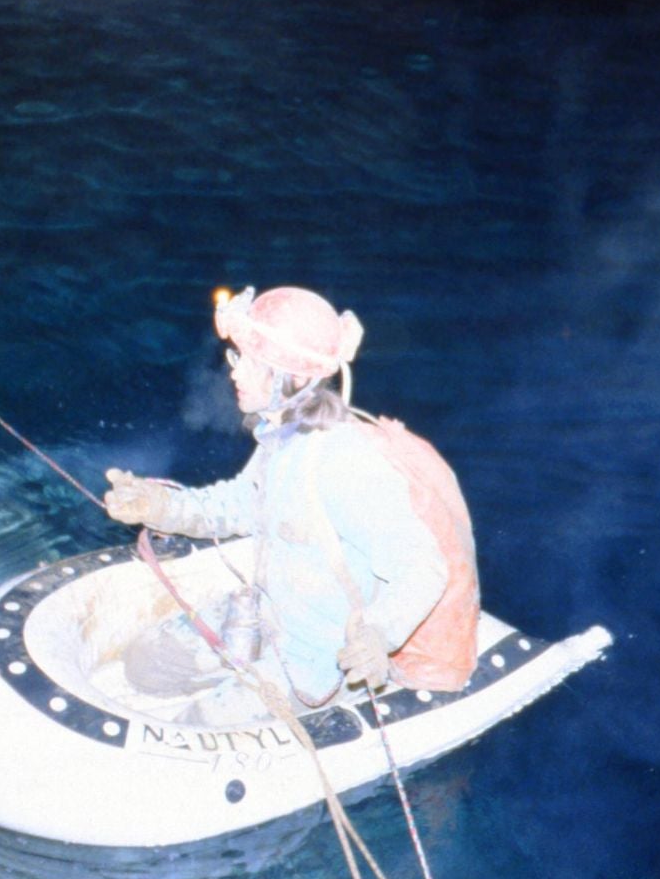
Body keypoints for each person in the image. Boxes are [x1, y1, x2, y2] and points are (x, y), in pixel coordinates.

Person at [104, 286, 480, 719]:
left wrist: (379, 636)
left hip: (317, 661)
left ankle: (309, 692)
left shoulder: (346, 464)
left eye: (248, 362)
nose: (235, 373)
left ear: (294, 380)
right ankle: (246, 658)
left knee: (191, 728)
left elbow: (422, 568)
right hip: (272, 615)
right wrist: (157, 506)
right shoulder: (281, 438)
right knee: (146, 663)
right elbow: (241, 504)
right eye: (236, 358)